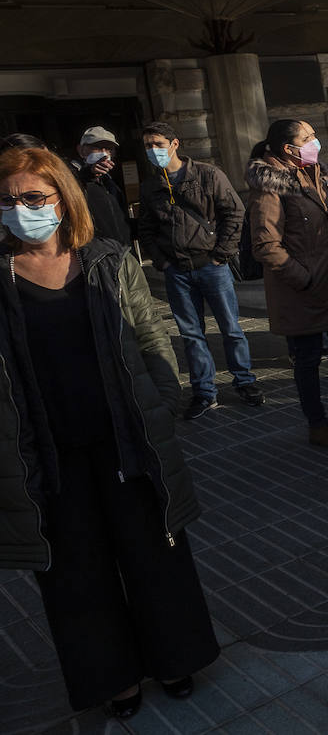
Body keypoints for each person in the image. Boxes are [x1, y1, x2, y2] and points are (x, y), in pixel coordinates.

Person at [0, 146, 219, 718]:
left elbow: (150, 337)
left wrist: (165, 403)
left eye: (33, 198)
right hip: (45, 453)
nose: (21, 210)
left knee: (154, 553)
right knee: (75, 571)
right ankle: (113, 678)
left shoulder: (107, 259)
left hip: (127, 438)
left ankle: (175, 658)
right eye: (8, 201)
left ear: (62, 200)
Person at [248, 120, 328, 447]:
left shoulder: (313, 173)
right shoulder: (271, 188)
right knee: (308, 360)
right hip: (302, 292)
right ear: (288, 150)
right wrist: (303, 278)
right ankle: (317, 424)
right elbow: (266, 245)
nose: (315, 143)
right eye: (307, 139)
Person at [138, 121, 262, 418]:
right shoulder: (151, 185)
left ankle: (244, 381)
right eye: (147, 145)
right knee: (191, 334)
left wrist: (222, 254)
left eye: (157, 143)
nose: (152, 150)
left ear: (174, 144)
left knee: (231, 328)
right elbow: (146, 228)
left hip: (212, 266)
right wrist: (162, 262)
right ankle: (204, 391)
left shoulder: (207, 174)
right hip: (177, 270)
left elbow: (235, 212)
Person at [6, 133, 128, 244]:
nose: (104, 153)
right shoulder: (75, 175)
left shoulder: (108, 182)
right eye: (6, 199)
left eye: (109, 149)